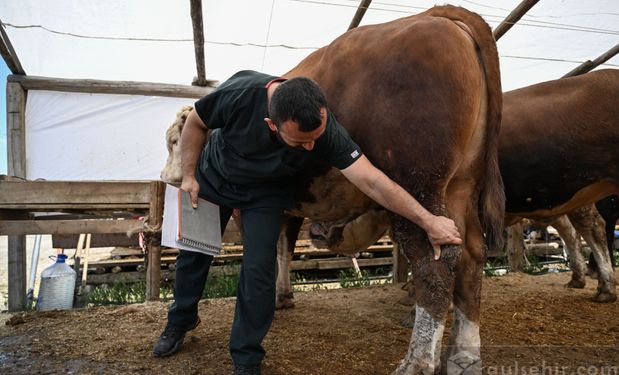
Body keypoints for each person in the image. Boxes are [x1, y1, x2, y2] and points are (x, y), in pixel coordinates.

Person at [152, 70, 462, 375]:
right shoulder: (240, 93)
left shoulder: (326, 132)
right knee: (194, 254)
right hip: (215, 177)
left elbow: (373, 182)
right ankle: (180, 320)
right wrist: (190, 176)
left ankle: (246, 355)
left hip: (266, 193)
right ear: (272, 125)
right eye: (300, 142)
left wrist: (429, 219)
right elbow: (196, 122)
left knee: (260, 268)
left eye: (316, 139)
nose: (312, 147)